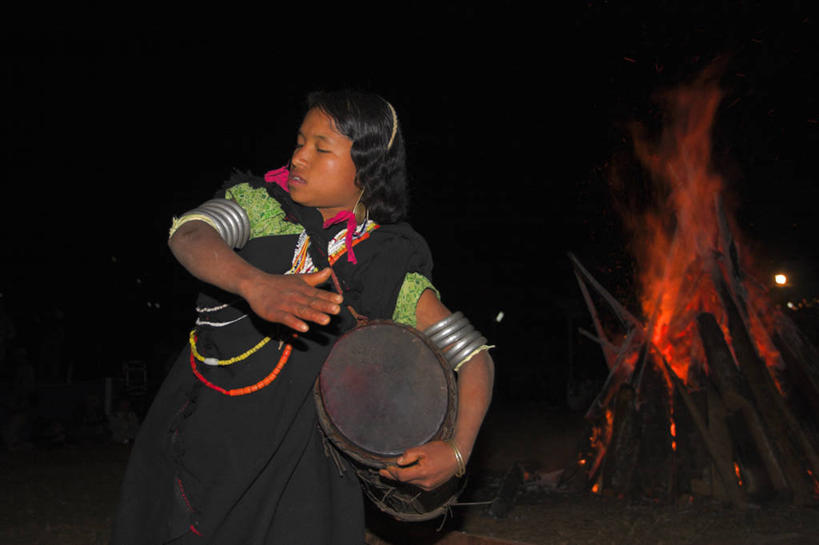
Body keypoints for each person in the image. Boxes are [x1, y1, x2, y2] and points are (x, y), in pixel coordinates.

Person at [110, 90, 494, 544]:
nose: (298, 157)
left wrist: (457, 450)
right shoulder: (259, 207)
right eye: (299, 141)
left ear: (367, 172)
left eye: (321, 148)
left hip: (307, 480)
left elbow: (474, 358)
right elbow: (190, 234)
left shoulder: (385, 265)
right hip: (207, 450)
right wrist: (255, 283)